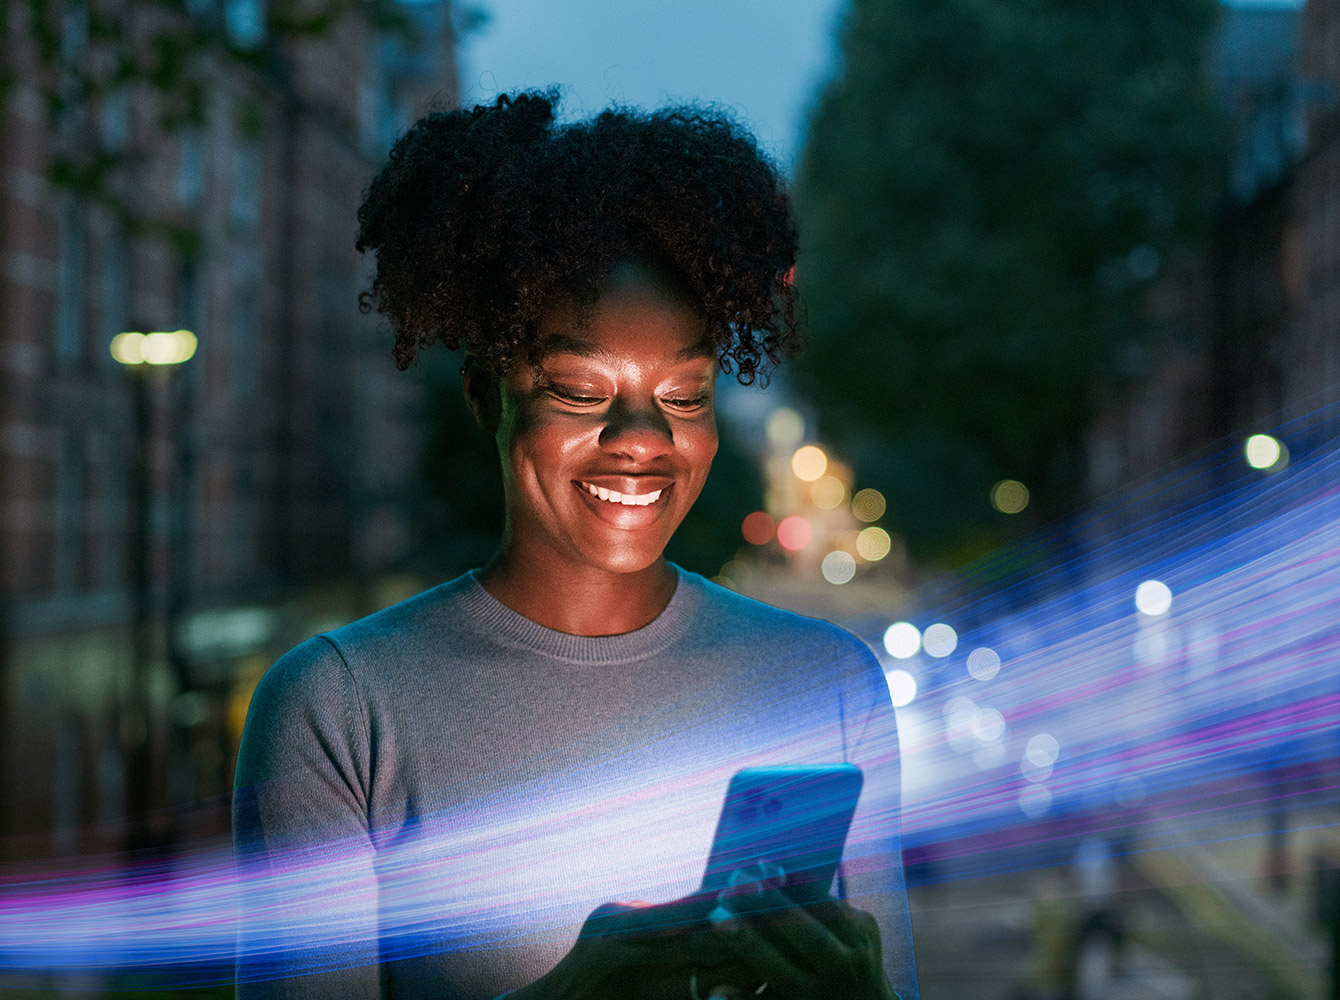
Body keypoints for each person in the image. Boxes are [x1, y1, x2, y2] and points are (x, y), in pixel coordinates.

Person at [232, 90, 919, 1000]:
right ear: (488, 396)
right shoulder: (340, 709)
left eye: (684, 396)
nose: (643, 436)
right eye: (580, 390)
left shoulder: (829, 687)